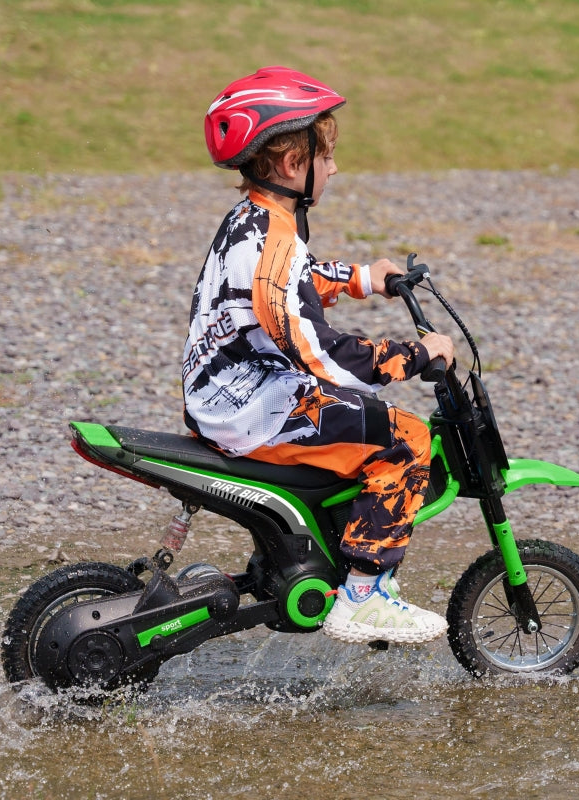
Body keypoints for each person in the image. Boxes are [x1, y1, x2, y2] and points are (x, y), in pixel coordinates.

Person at [182, 66, 455, 645]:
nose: (333, 168)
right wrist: (412, 357)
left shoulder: (254, 220)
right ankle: (364, 596)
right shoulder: (275, 237)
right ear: (290, 163)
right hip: (253, 404)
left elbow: (292, 285)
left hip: (227, 386)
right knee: (404, 438)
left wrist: (362, 278)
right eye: (326, 157)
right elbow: (316, 353)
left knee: (358, 417)